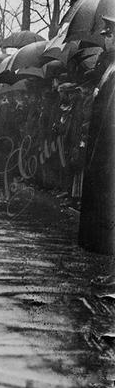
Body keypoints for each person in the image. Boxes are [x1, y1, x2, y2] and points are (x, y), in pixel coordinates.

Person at [79, 14, 115, 254]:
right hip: (102, 143)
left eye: (110, 35)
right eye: (106, 36)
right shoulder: (107, 65)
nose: (106, 40)